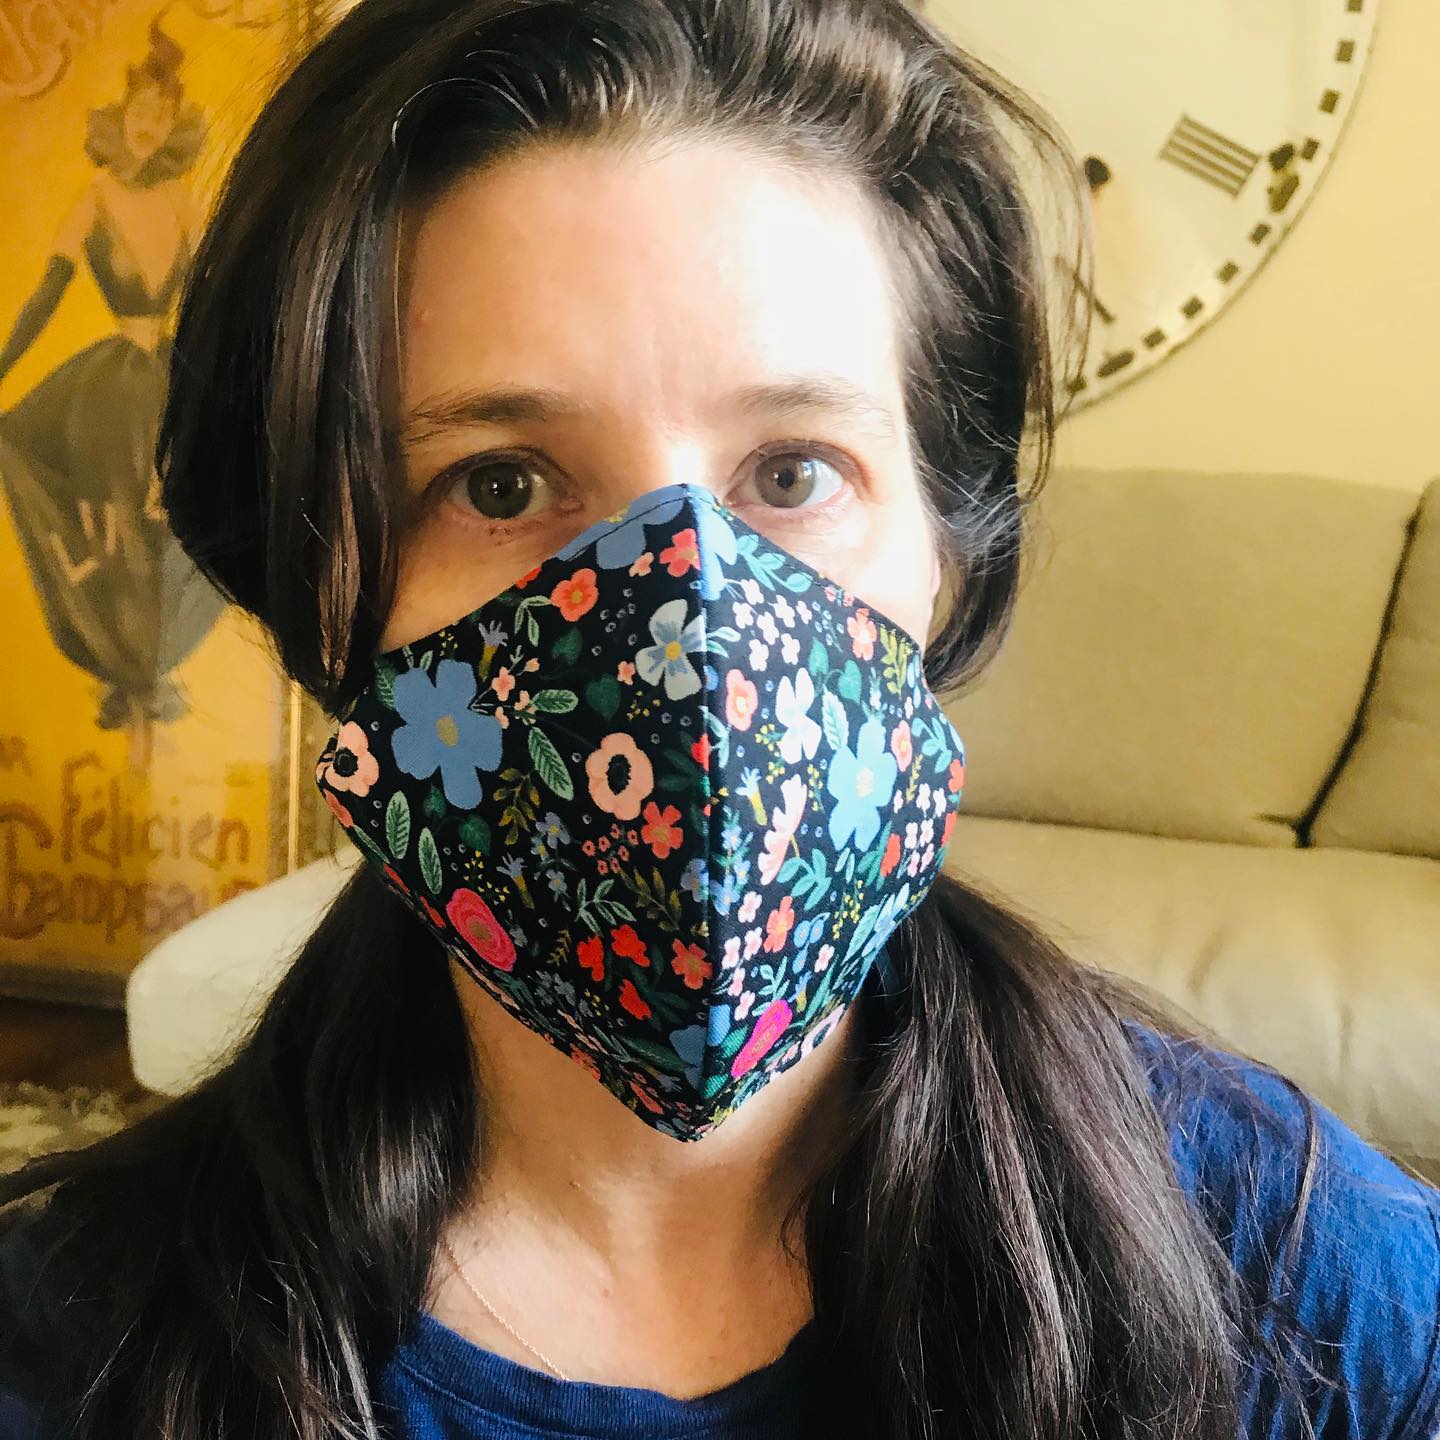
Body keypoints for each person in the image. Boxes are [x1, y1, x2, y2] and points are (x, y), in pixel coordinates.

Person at [2, 1, 1437, 1436]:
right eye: (501, 483)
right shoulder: (74, 1345)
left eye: (794, 473)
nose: (687, 630)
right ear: (317, 591)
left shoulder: (1315, 1286)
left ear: (949, 554)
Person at [0, 18, 224, 731]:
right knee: (110, 533)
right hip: (110, 386)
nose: (148, 124)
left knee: (171, 524)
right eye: (140, 111)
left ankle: (153, 665)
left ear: (173, 123)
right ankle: (119, 666)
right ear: (121, 117)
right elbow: (48, 292)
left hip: (171, 374)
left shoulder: (183, 200)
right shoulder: (94, 197)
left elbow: (223, 287)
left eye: (162, 113)